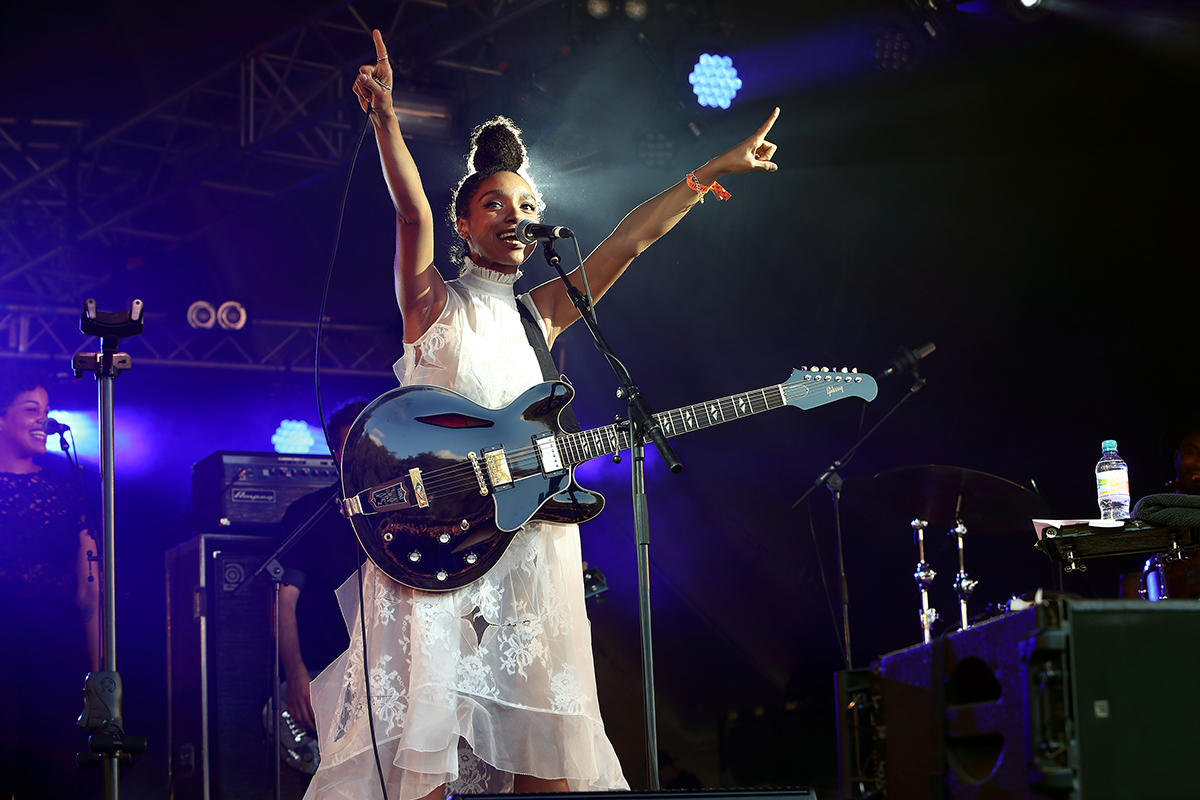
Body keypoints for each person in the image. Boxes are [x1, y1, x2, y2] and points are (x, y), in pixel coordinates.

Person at [301, 29, 780, 800]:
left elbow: (629, 242)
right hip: (443, 543)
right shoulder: (432, 305)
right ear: (465, 223)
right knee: (425, 749)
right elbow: (410, 213)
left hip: (531, 549)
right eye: (494, 204)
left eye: (526, 204)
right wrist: (386, 119)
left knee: (546, 756)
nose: (513, 214)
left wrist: (705, 176)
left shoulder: (543, 314)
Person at [0, 371, 99, 800]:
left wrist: (100, 677)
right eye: (30, 409)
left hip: (54, 653)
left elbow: (89, 592)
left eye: (46, 410)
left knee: (52, 774)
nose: (43, 420)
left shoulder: (65, 489)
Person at [278, 399, 371, 733]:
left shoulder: (407, 512)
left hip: (387, 670)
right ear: (335, 454)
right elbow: (283, 602)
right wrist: (295, 673)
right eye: (350, 448)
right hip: (326, 668)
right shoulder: (309, 513)